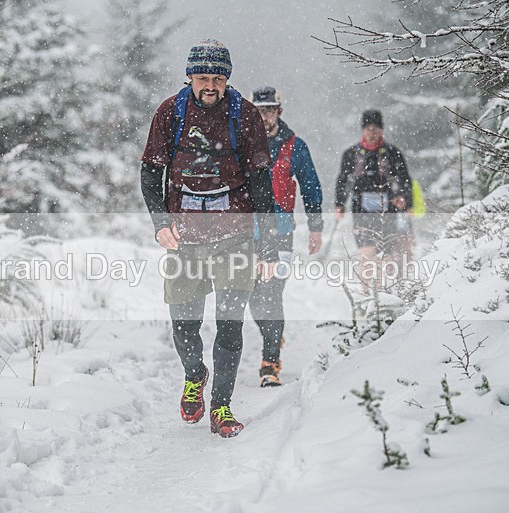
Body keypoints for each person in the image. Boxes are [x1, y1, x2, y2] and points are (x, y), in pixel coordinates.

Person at [140, 40, 279, 438]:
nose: (211, 86)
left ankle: (221, 406)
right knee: (184, 323)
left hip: (234, 234)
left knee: (229, 323)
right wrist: (160, 222)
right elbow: (151, 174)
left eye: (218, 78)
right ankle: (194, 374)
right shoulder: (170, 113)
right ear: (189, 77)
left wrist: (266, 244)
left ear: (227, 79)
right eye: (203, 78)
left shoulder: (245, 115)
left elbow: (259, 184)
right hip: (185, 236)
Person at [248, 86, 324, 387]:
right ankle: (273, 335)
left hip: (281, 231)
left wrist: (316, 227)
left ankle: (269, 363)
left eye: (269, 109)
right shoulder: (243, 144)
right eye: (259, 110)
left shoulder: (295, 146)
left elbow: (311, 187)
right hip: (247, 233)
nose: (264, 115)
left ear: (279, 111)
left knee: (272, 294)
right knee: (253, 299)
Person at [334, 109, 413, 293]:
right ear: (363, 130)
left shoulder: (393, 153)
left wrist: (405, 200)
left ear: (382, 130)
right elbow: (342, 181)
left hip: (388, 211)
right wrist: (339, 203)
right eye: (369, 129)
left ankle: (385, 295)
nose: (372, 133)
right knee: (367, 254)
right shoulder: (351, 154)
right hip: (361, 210)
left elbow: (405, 180)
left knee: (386, 256)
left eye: (376, 129)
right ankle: (367, 296)